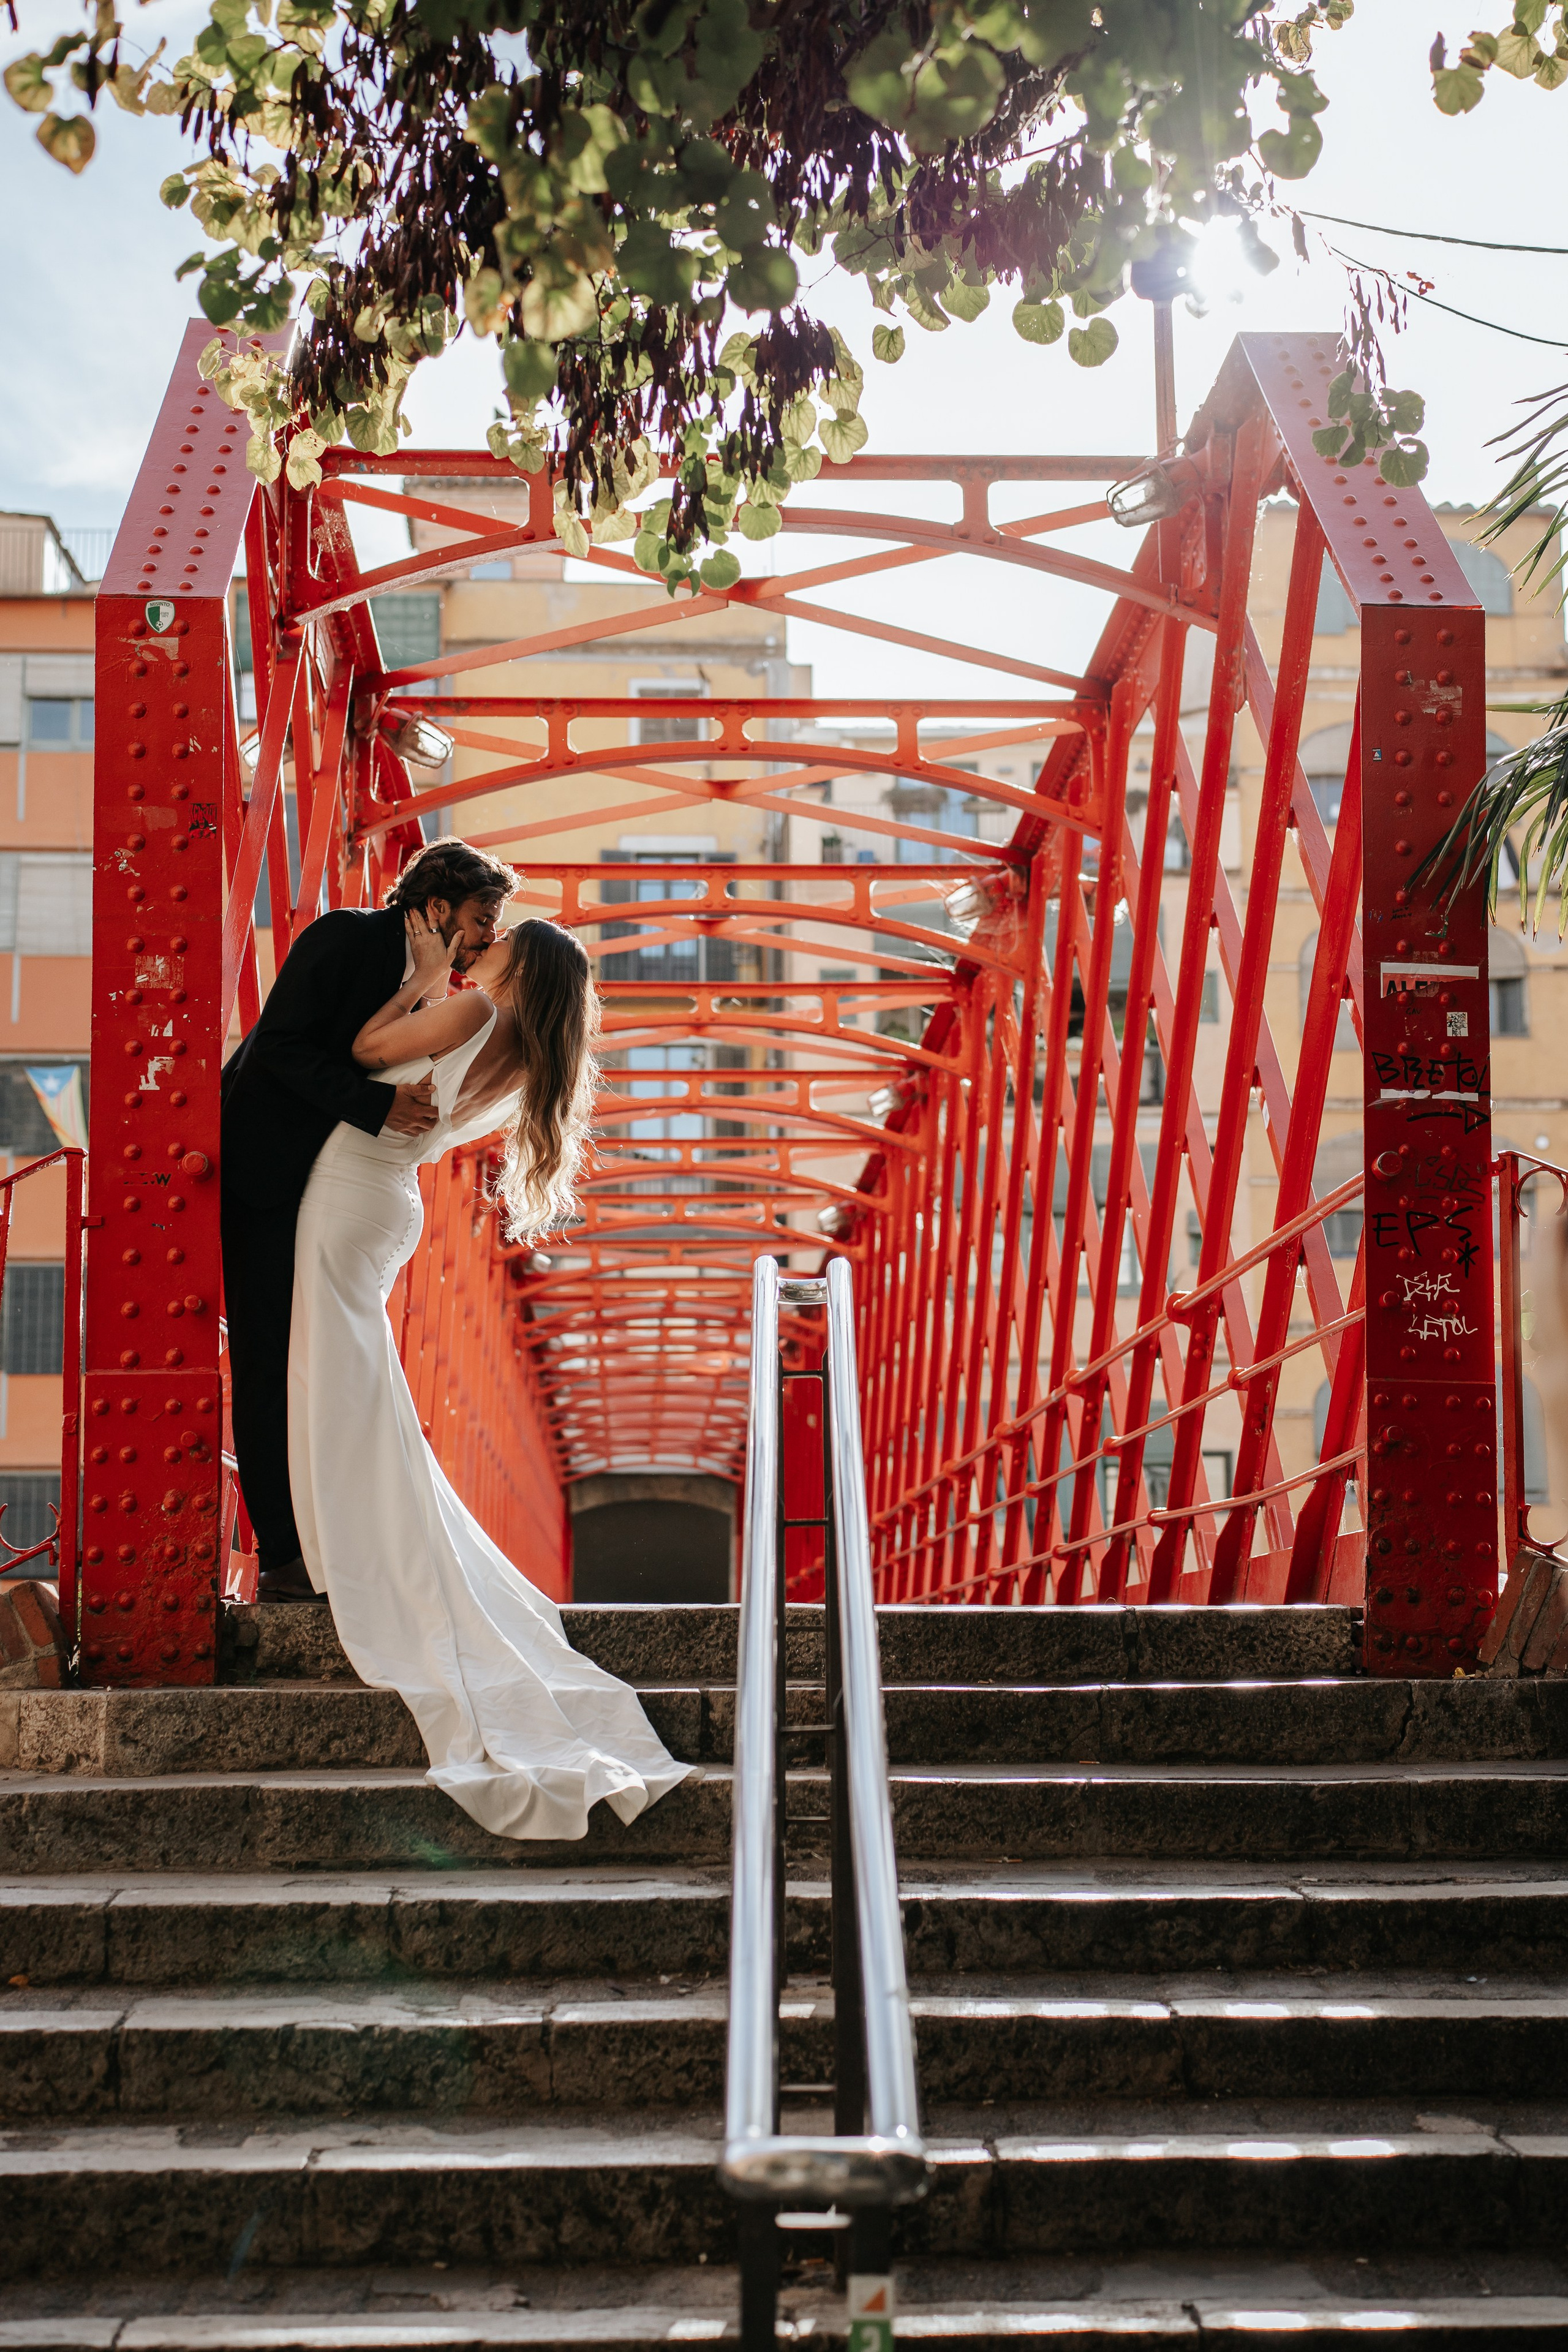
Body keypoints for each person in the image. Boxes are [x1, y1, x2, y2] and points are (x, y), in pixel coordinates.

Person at [286, 909, 692, 1842]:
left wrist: (423, 975)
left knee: (342, 1392)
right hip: (383, 1203)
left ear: (522, 965)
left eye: (500, 939)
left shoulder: (471, 1011)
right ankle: (347, 1545)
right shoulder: (524, 1062)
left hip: (347, 1197)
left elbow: (364, 1048)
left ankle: (346, 1553)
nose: (485, 943)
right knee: (355, 1393)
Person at [221, 837, 517, 1601]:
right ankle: (284, 1557)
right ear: (438, 907)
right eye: (483, 918)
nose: (489, 937)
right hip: (263, 1176)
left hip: (325, 1188)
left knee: (317, 1368)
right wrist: (375, 1105)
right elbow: (278, 1047)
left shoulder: (428, 986)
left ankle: (332, 1542)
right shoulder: (344, 937)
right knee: (267, 1365)